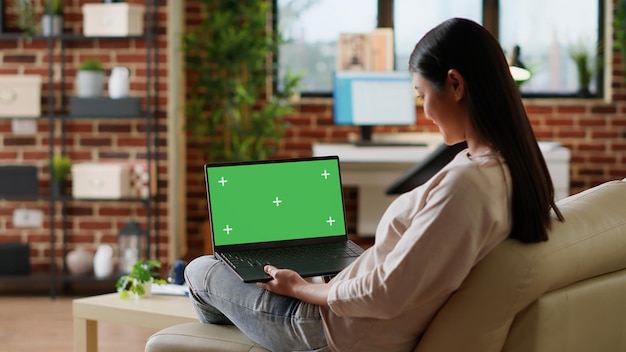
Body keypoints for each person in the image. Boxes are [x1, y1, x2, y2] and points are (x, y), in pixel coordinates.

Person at [185, 18, 564, 352]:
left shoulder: (465, 185)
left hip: (331, 330)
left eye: (421, 95)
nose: (425, 111)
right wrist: (358, 266)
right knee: (315, 256)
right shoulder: (511, 168)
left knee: (199, 269)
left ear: (454, 84)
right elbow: (409, 268)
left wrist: (299, 288)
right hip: (354, 314)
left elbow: (383, 293)